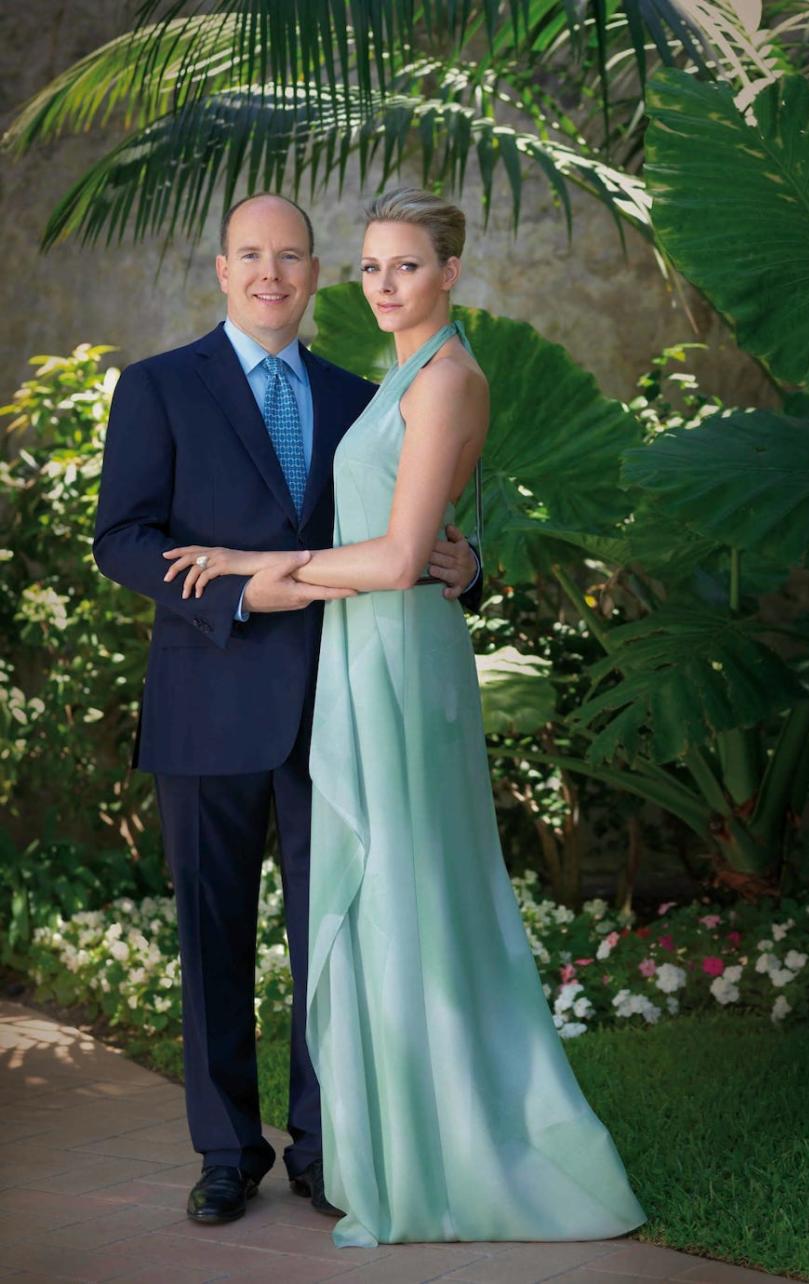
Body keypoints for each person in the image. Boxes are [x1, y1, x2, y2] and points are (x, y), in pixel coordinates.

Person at [164, 188, 647, 1247]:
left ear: (450, 271)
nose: (383, 285)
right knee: (307, 916)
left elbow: (397, 549)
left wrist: (257, 563)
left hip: (375, 669)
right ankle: (301, 1147)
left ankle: (395, 1144)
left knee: (389, 904)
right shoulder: (368, 379)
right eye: (373, 267)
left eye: (406, 266)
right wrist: (452, 558)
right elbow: (398, 530)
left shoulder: (411, 382)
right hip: (295, 676)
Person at [93, 192, 482, 1227]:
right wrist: (233, 593)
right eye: (251, 255)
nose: (272, 273)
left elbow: (417, 521)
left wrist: (470, 562)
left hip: (340, 705)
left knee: (336, 936)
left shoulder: (367, 392)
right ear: (221, 269)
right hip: (206, 703)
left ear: (314, 274)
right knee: (213, 935)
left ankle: (322, 1144)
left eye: (294, 256)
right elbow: (122, 539)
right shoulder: (159, 387)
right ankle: (227, 1151)